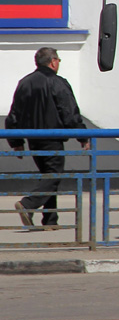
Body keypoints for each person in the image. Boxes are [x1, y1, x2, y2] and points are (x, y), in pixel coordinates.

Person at [6, 47, 90, 228]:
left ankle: (50, 220)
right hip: (53, 138)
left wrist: (17, 142)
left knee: (48, 176)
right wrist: (82, 136)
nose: (59, 63)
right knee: (53, 176)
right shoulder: (57, 82)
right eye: (58, 60)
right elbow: (69, 112)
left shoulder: (25, 83)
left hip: (32, 139)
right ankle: (28, 204)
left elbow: (14, 115)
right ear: (53, 62)